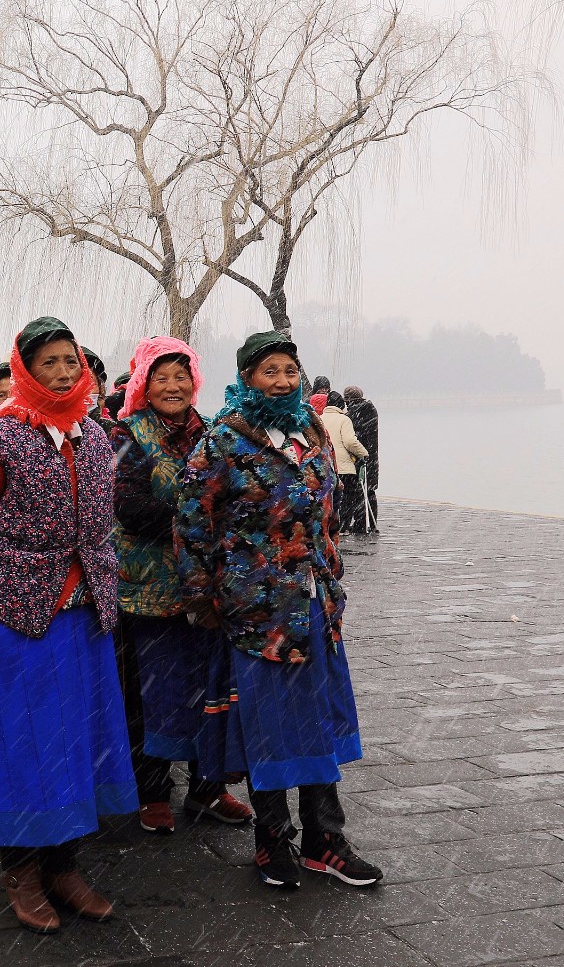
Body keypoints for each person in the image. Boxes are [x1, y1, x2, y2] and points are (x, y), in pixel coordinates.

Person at [0, 316, 137, 934]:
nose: (62, 373)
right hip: (19, 621)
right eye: (47, 362)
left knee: (76, 738)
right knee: (22, 740)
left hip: (85, 617)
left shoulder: (96, 436)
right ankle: (21, 870)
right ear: (24, 370)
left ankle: (64, 864)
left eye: (70, 361)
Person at [176, 331, 380, 890]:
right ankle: (272, 839)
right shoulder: (223, 440)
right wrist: (204, 595)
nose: (283, 381)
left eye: (290, 371)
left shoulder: (311, 430)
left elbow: (327, 510)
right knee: (268, 726)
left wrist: (330, 563)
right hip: (257, 612)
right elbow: (192, 521)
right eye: (270, 371)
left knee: (317, 722)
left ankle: (323, 839)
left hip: (314, 604)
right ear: (247, 378)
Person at [112, 337, 252, 835]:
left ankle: (207, 787)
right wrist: (196, 515)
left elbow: (236, 498)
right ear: (142, 383)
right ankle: (151, 790)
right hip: (148, 588)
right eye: (161, 377)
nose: (173, 386)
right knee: (151, 691)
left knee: (208, 686)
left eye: (182, 375)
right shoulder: (125, 433)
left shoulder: (213, 432)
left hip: (208, 587)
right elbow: (130, 508)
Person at [319, 391, 370, 541]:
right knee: (347, 499)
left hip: (325, 466)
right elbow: (350, 441)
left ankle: (328, 526)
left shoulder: (319, 419)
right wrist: (364, 453)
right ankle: (343, 527)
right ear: (341, 405)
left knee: (328, 499)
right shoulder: (344, 419)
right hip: (344, 467)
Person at [342, 386, 380, 533]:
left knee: (358, 492)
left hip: (360, 457)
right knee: (368, 491)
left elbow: (352, 440)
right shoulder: (370, 410)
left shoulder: (353, 415)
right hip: (371, 457)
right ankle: (369, 522)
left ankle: (361, 524)